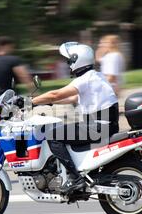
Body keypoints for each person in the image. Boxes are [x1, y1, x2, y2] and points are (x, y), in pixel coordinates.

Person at [32, 42, 119, 194]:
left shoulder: (84, 79)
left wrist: (30, 101)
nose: (68, 64)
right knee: (64, 130)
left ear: (76, 60)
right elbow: (71, 99)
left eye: (69, 61)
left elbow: (56, 94)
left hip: (97, 127)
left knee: (53, 135)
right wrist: (45, 103)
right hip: (105, 124)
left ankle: (75, 178)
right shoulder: (96, 76)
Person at [0, 36, 33, 107]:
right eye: (11, 47)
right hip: (13, 99)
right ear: (5, 46)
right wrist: (33, 92)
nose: (12, 49)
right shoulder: (13, 60)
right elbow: (24, 76)